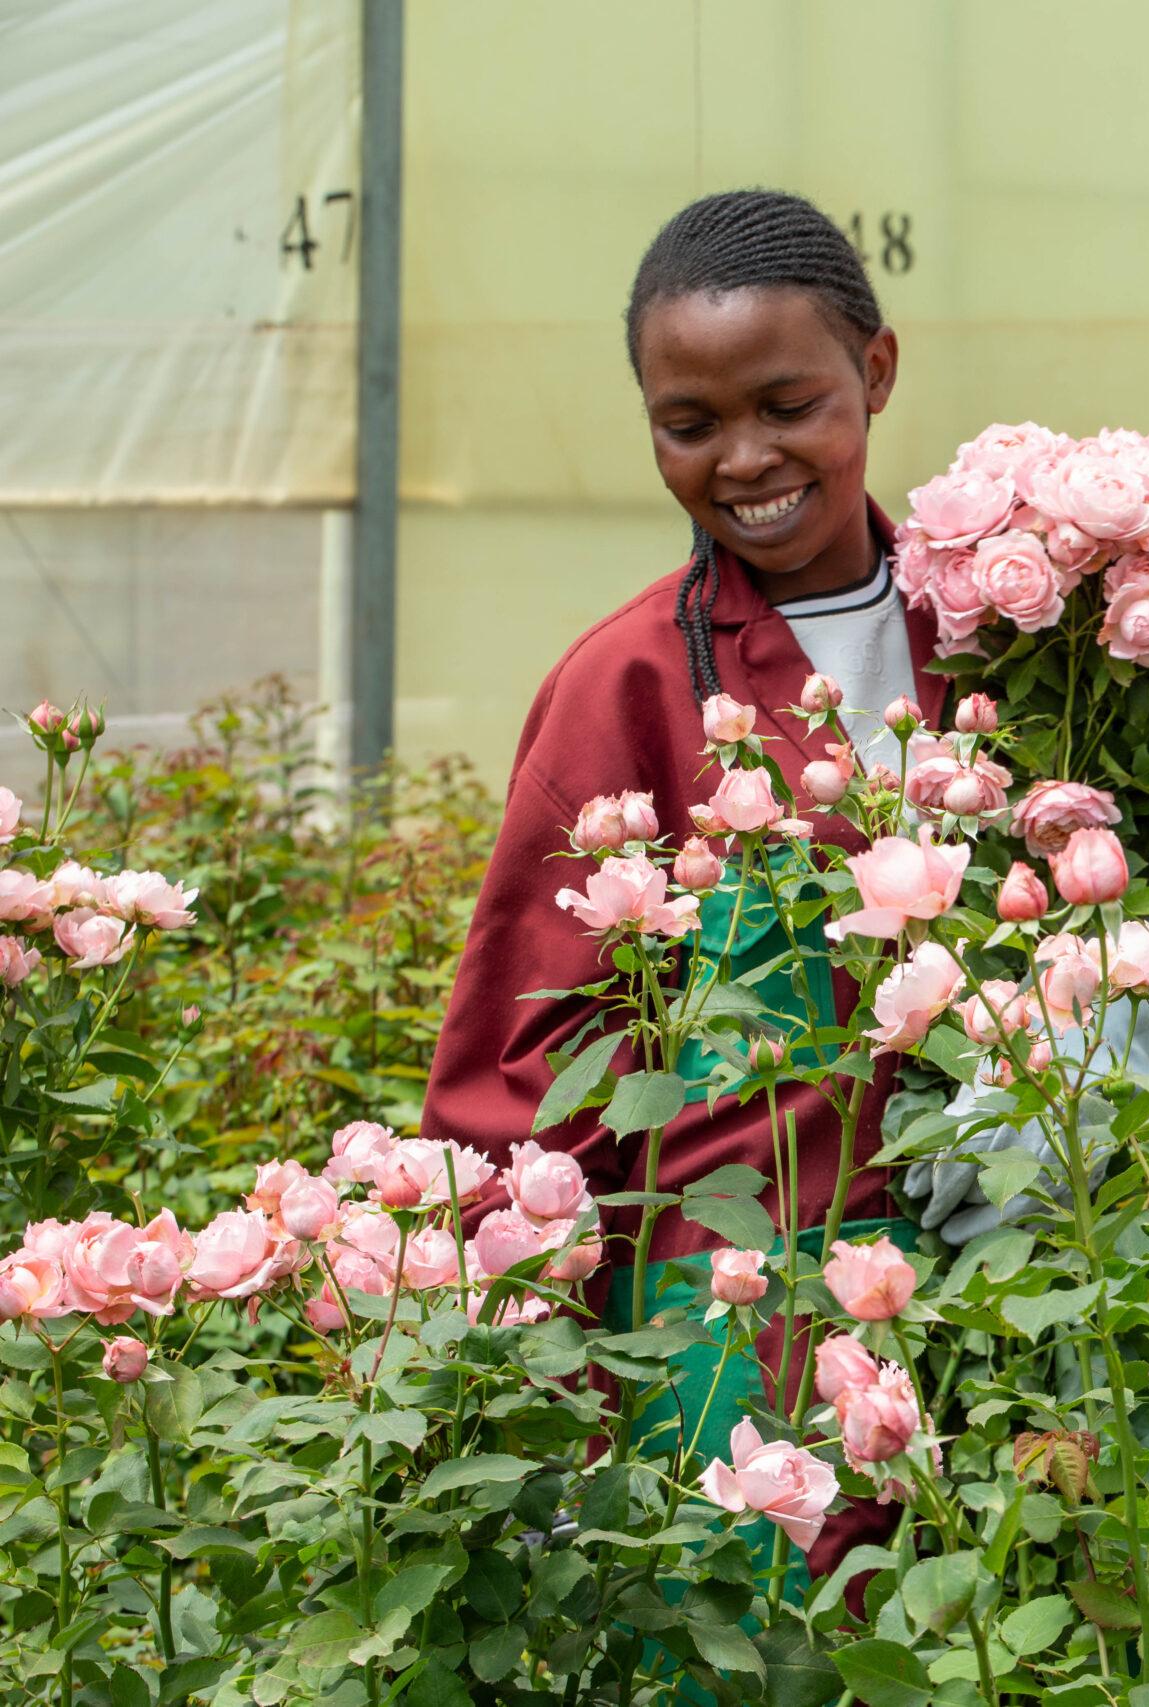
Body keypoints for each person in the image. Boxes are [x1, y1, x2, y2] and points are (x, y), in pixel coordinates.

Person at [420, 188, 938, 1580]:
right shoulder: (631, 686)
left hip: (1001, 1296)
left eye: (789, 403)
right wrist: (523, 1356)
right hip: (732, 1345)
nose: (746, 459)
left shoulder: (1011, 636)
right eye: (689, 424)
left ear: (876, 372)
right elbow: (518, 1068)